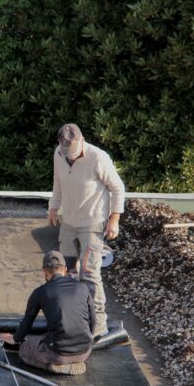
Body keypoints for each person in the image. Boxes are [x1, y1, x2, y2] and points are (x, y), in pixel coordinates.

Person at [47, 123, 125, 337]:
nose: (69, 157)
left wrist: (114, 219)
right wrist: (53, 207)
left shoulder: (98, 158)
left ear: (81, 141)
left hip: (92, 223)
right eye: (66, 154)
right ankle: (70, 316)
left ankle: (98, 324)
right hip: (69, 223)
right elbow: (58, 182)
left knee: (89, 273)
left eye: (72, 153)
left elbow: (117, 188)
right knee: (64, 270)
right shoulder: (59, 154)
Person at [0, 251, 95, 375]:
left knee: (24, 349)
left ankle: (53, 366)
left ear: (44, 271)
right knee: (46, 336)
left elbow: (27, 322)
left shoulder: (40, 292)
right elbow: (93, 320)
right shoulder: (82, 287)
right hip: (85, 351)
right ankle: (72, 361)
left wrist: (15, 339)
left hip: (58, 353)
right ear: (65, 270)